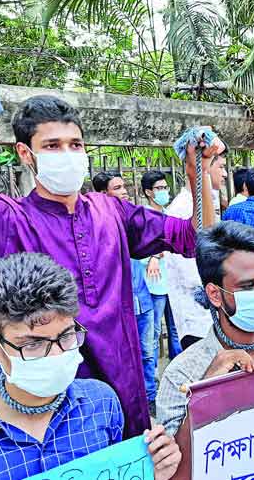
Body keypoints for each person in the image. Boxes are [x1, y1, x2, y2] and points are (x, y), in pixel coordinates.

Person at [0, 0, 219, 438]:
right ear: (26, 154)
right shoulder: (5, 218)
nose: (68, 154)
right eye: (53, 146)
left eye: (75, 145)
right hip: (49, 409)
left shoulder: (111, 210)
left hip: (127, 402)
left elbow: (197, 237)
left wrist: (199, 176)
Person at [0, 253, 180, 480]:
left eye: (66, 336)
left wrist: (152, 470)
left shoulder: (102, 404)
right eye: (33, 344)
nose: (56, 355)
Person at [156, 221, 254, 479]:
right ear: (214, 294)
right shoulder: (182, 374)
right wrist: (205, 392)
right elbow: (176, 474)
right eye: (248, 285)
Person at [93, 172, 157, 412]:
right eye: (117, 187)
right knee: (123, 357)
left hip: (143, 300)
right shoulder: (98, 227)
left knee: (148, 352)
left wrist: (153, 256)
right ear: (103, 194)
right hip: (118, 306)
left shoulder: (133, 221)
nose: (124, 192)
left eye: (124, 186)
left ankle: (149, 397)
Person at [164, 156, 228, 350]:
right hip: (198, 317)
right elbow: (190, 270)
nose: (225, 174)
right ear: (204, 168)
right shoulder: (183, 208)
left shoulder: (203, 204)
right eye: (221, 167)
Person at [140, 170, 182, 360]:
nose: (164, 191)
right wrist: (156, 254)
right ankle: (154, 371)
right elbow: (139, 251)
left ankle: (178, 366)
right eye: (159, 188)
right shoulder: (142, 218)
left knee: (176, 329)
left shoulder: (170, 214)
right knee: (154, 331)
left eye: (165, 187)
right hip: (154, 283)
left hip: (173, 280)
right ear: (148, 192)